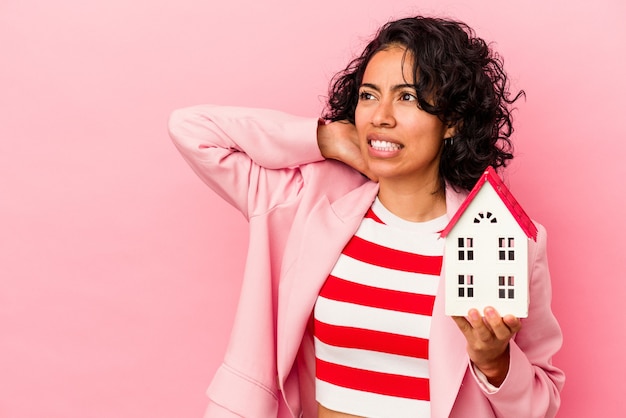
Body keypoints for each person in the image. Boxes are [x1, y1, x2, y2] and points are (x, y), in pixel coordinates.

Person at [169, 16, 564, 418]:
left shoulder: (501, 237)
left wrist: (495, 362)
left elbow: (542, 403)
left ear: (454, 121)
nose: (381, 116)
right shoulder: (307, 203)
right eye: (369, 95)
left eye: (407, 97)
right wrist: (328, 137)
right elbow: (191, 129)